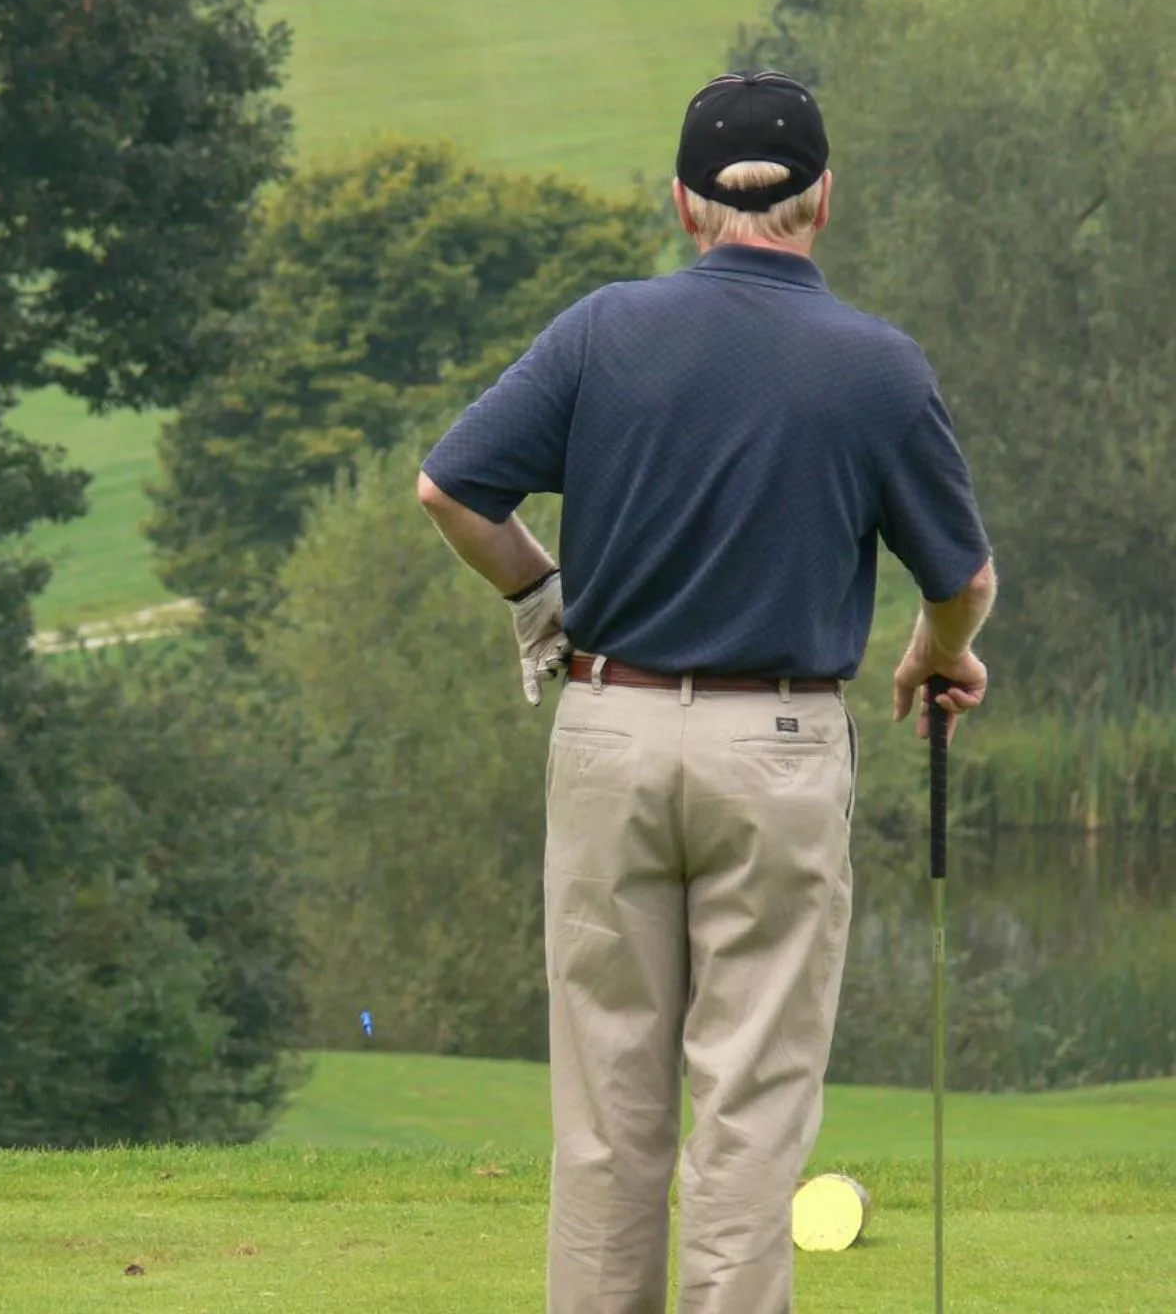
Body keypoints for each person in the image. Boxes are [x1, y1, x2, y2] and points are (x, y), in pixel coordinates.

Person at [417, 71, 997, 1314]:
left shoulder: (598, 331)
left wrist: (545, 600)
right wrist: (933, 653)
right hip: (780, 742)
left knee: (605, 1108)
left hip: (606, 726)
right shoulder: (877, 366)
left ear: (685, 204)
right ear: (821, 199)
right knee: (748, 1102)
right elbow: (963, 581)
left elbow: (450, 490)